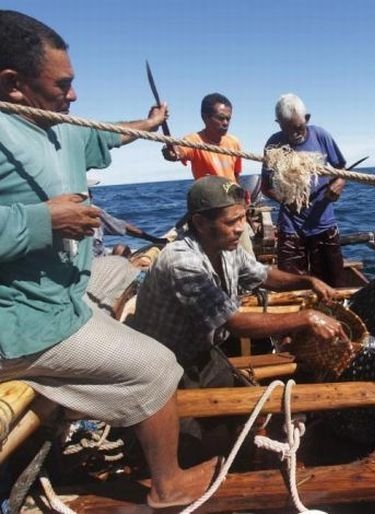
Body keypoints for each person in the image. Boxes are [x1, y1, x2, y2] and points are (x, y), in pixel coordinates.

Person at [0, 10, 216, 508]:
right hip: (25, 325)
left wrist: (151, 124)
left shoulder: (53, 123)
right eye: (63, 85)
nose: (73, 97)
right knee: (158, 365)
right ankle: (169, 486)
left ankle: (66, 390)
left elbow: (101, 132)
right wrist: (43, 220)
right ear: (12, 83)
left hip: (62, 297)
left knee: (119, 269)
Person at [130, 176, 349, 461]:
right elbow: (232, 322)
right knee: (195, 447)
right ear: (199, 223)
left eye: (243, 218)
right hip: (165, 365)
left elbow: (264, 275)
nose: (240, 228)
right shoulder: (182, 262)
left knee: (245, 418)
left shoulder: (225, 246)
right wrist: (306, 317)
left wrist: (307, 281)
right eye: (231, 221)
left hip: (204, 352)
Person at [261, 93, 347, 286]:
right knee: (292, 286)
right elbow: (266, 187)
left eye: (298, 127)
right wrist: (286, 200)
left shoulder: (321, 135)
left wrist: (339, 183)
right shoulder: (273, 144)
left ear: (307, 119)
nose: (293, 134)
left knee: (334, 285)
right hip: (291, 229)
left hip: (324, 225)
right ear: (278, 123)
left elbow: (343, 169)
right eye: (286, 128)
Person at [162, 93, 255, 254]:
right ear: (205, 117)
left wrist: (242, 206)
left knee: (247, 256)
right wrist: (169, 151)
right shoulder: (195, 140)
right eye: (221, 118)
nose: (225, 123)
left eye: (228, 119)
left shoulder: (233, 142)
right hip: (211, 215)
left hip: (234, 209)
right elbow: (176, 152)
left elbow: (235, 176)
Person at [88, 179, 168, 259]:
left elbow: (123, 227)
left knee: (121, 248)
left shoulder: (95, 211)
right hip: (95, 265)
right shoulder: (91, 212)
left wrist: (154, 240)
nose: (91, 196)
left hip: (101, 257)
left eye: (90, 192)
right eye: (88, 192)